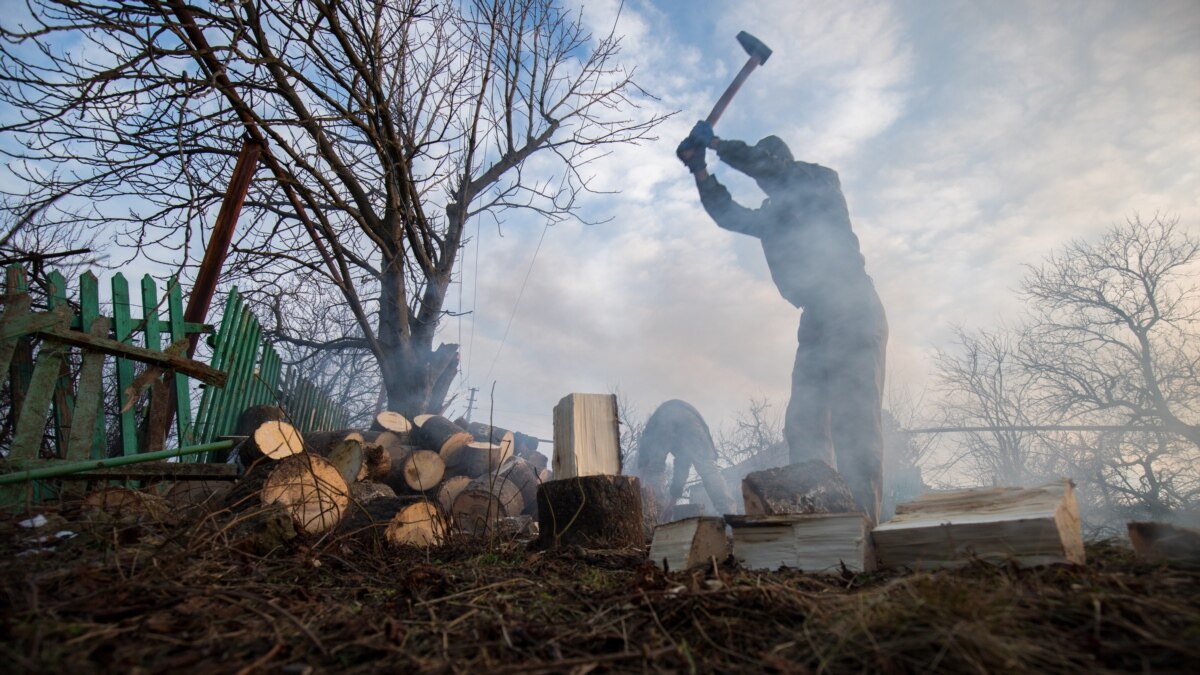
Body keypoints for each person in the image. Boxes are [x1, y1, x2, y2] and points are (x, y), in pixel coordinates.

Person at [676, 121, 888, 524]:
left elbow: (768, 168)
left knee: (854, 422)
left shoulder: (819, 182)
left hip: (853, 306)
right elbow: (727, 214)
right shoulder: (771, 218)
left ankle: (865, 529)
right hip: (816, 320)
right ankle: (820, 523)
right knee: (804, 423)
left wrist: (718, 144)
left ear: (781, 163)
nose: (764, 181)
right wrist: (699, 169)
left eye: (768, 167)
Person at [636, 399, 736, 521]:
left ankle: (656, 517)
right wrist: (672, 503)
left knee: (655, 468)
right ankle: (730, 515)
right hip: (693, 421)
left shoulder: (655, 425)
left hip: (668, 415)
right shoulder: (683, 439)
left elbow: (644, 455)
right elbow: (681, 467)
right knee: (708, 469)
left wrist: (639, 482)